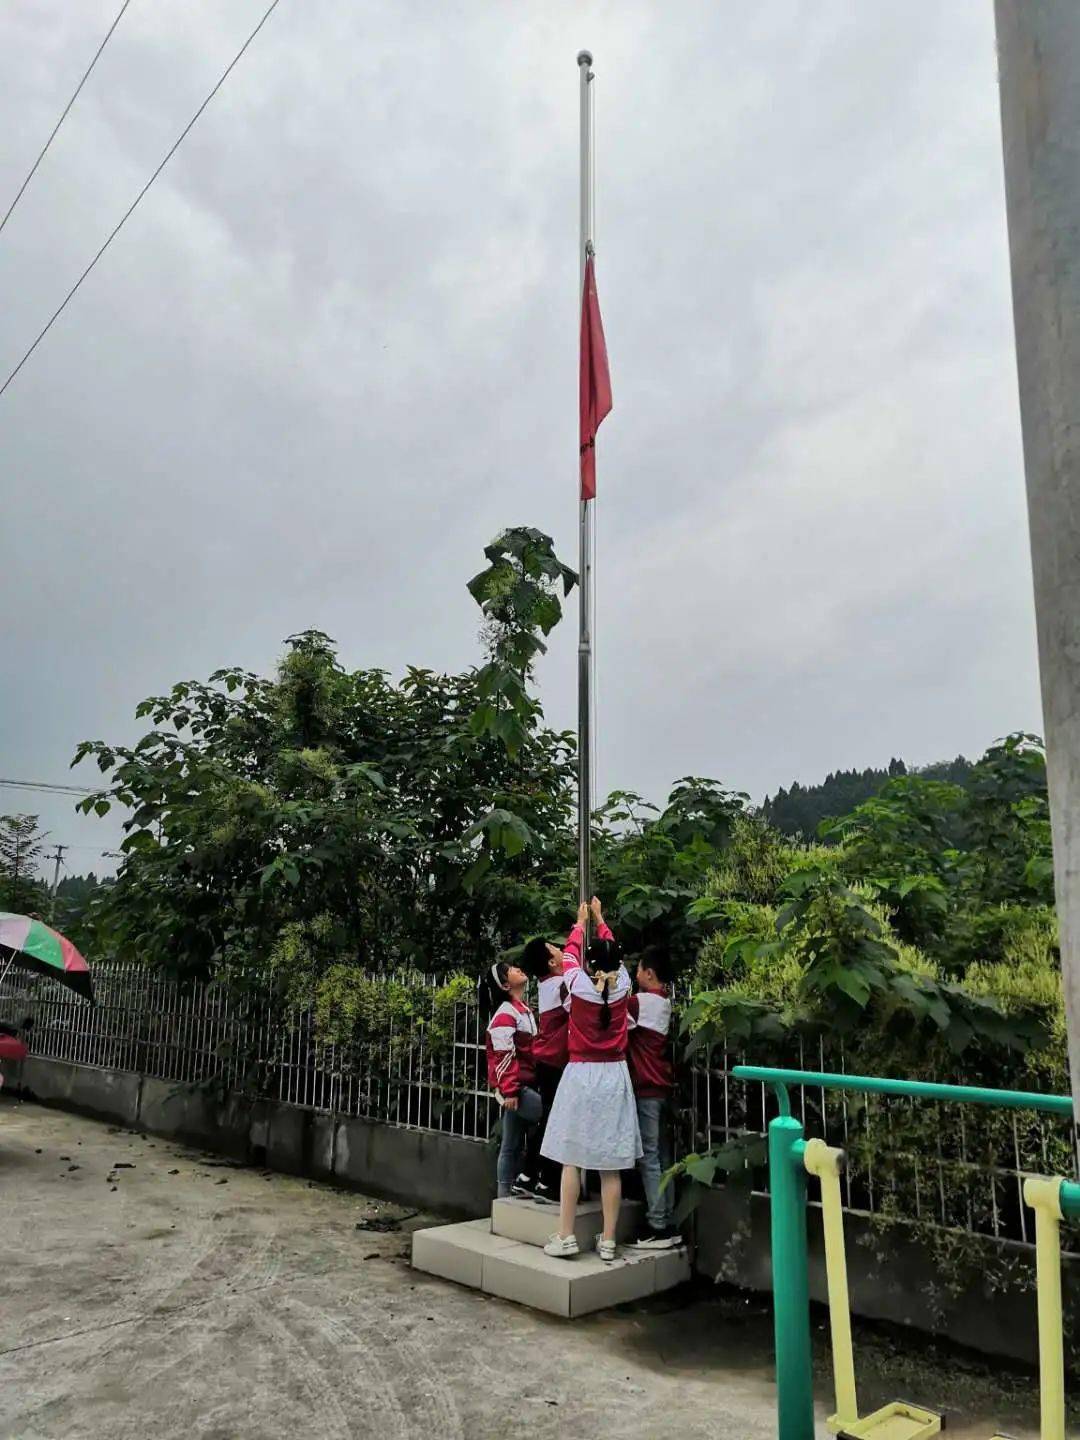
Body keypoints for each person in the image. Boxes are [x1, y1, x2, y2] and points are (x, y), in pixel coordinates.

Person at [540, 896, 642, 1263]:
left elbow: (568, 955)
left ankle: (566, 1235)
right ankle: (609, 1240)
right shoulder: (624, 983)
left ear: (589, 963)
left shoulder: (578, 984)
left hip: (581, 1074)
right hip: (614, 1075)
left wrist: (579, 922)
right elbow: (614, 953)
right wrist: (600, 918)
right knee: (610, 1165)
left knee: (573, 1158)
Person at [519, 901, 589, 1203]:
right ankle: (546, 1181)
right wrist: (581, 924)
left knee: (549, 1118)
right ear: (550, 962)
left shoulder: (549, 984)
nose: (561, 950)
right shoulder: (560, 985)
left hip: (547, 1061)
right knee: (556, 1121)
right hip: (555, 1064)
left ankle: (527, 1175)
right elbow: (574, 961)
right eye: (554, 948)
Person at [626, 945, 681, 1248]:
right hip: (661, 1087)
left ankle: (657, 1225)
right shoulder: (664, 1002)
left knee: (648, 1158)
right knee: (662, 1155)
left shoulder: (639, 1003)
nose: (635, 976)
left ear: (649, 973)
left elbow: (613, 1023)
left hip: (645, 1088)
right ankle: (668, 1220)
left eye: (637, 971)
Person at [480, 959, 542, 1199]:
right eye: (511, 970)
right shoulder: (507, 1013)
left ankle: (503, 1195)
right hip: (518, 1088)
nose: (518, 968)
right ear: (506, 985)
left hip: (519, 1086)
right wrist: (511, 1091)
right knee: (548, 1120)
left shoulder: (521, 1009)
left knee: (511, 1143)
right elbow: (504, 1055)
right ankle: (524, 1181)